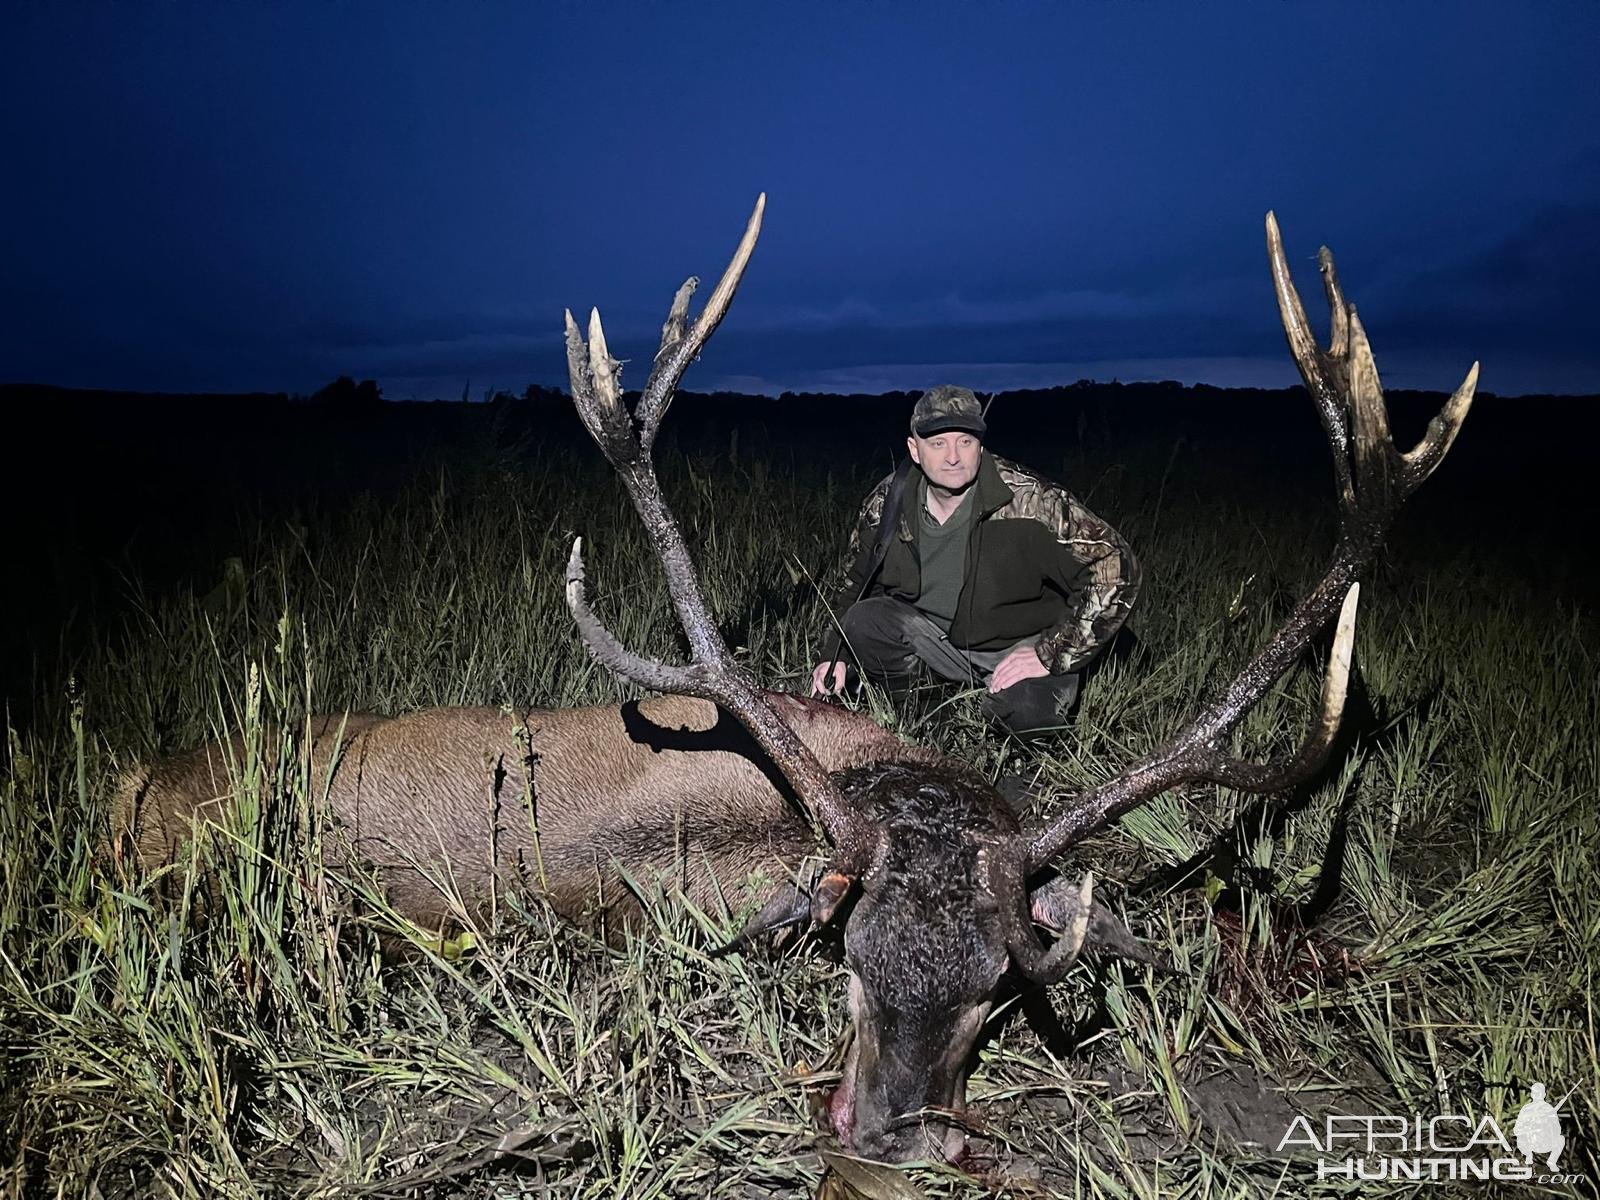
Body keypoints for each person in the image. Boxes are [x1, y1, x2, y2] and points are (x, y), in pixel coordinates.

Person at [811, 385, 1141, 737]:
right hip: (935, 638)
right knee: (863, 621)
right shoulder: (887, 504)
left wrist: (1051, 652)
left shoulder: (1029, 501)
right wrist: (836, 655)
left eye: (965, 441)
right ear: (915, 450)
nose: (953, 456)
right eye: (938, 443)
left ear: (980, 447)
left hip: (1019, 645)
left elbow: (1117, 565)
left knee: (1025, 713)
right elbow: (852, 585)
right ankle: (925, 716)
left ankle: (1017, 749)